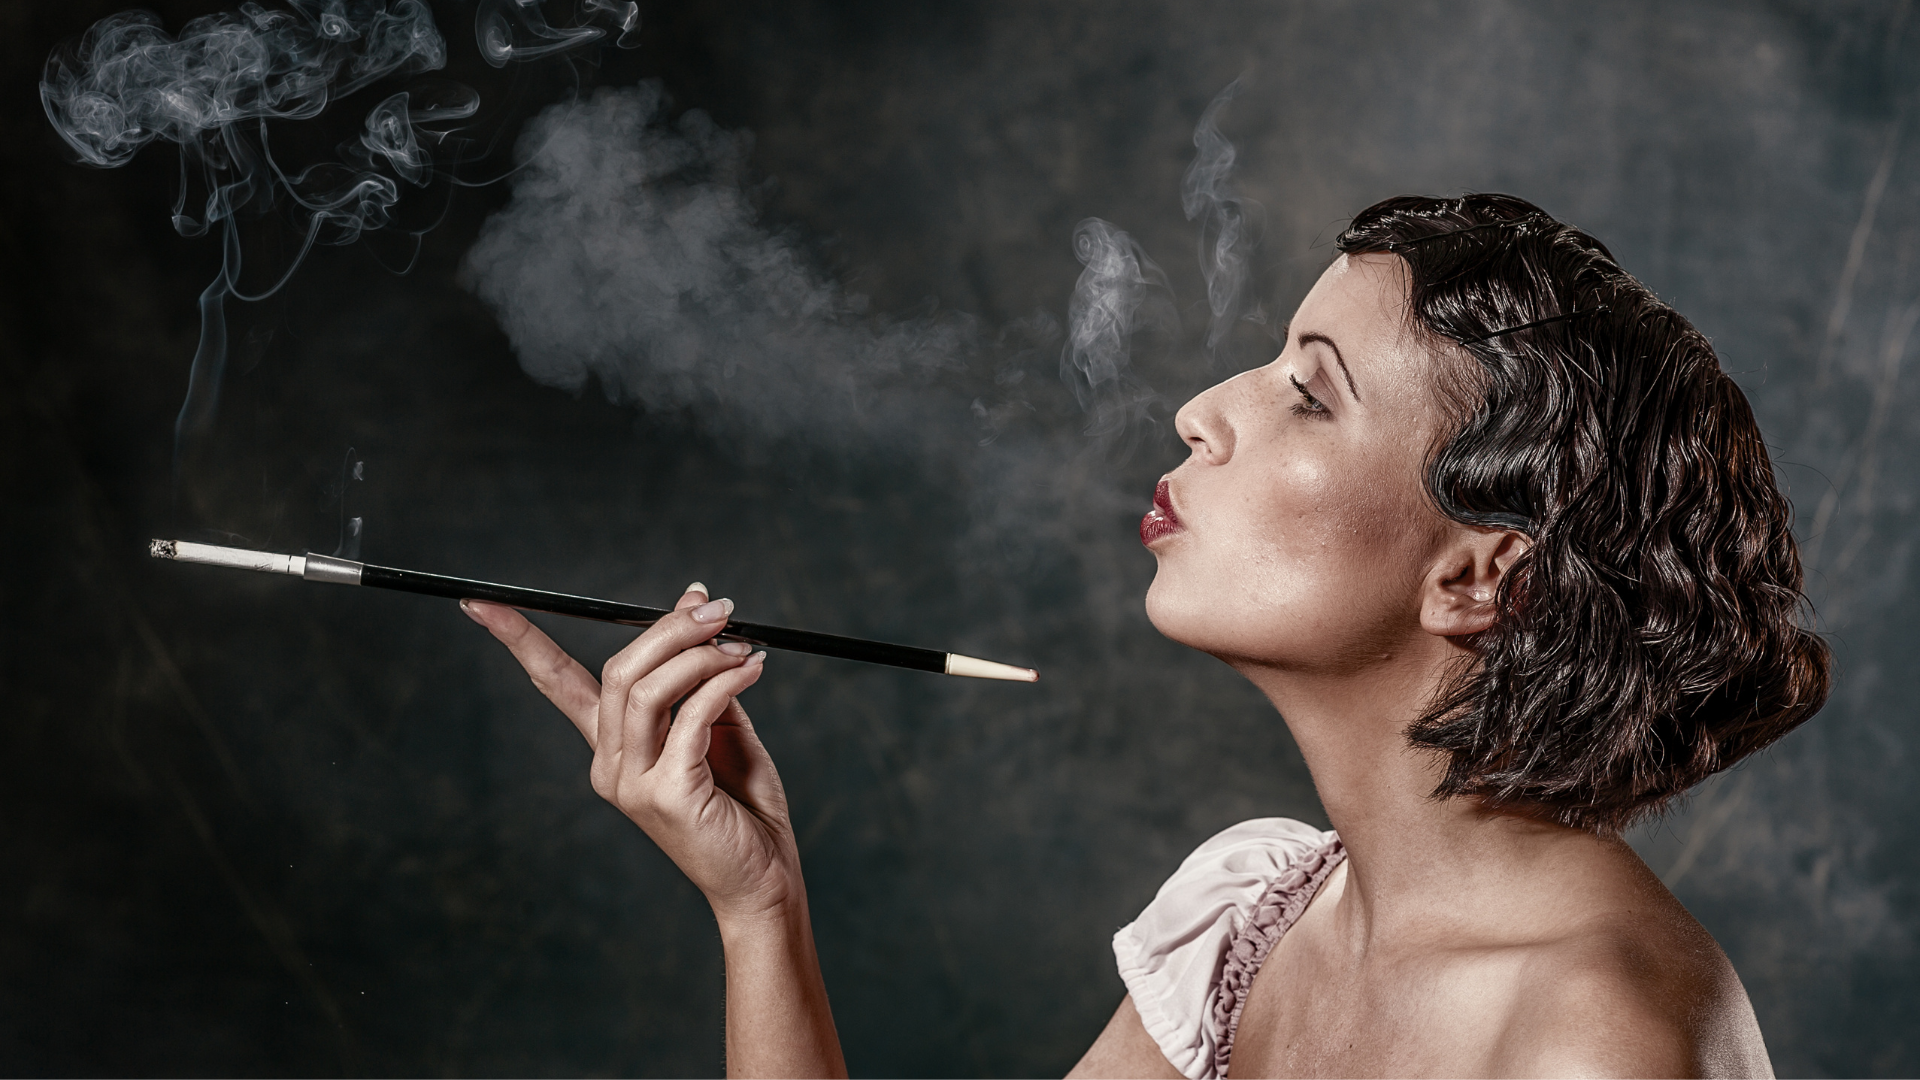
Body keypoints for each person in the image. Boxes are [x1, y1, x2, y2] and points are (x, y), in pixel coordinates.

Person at [462, 193, 1830, 1078]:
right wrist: (757, 906)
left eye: (1310, 394)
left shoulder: (1594, 1039)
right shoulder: (1254, 917)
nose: (1200, 410)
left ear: (1478, 576)